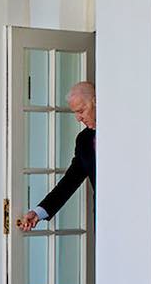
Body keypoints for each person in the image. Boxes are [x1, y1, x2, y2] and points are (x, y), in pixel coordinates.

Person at [17, 81, 96, 231]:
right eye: (75, 113)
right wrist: (39, 212)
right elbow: (70, 181)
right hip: (103, 220)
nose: (78, 118)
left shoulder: (124, 130)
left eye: (81, 111)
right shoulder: (83, 140)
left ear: (96, 102)